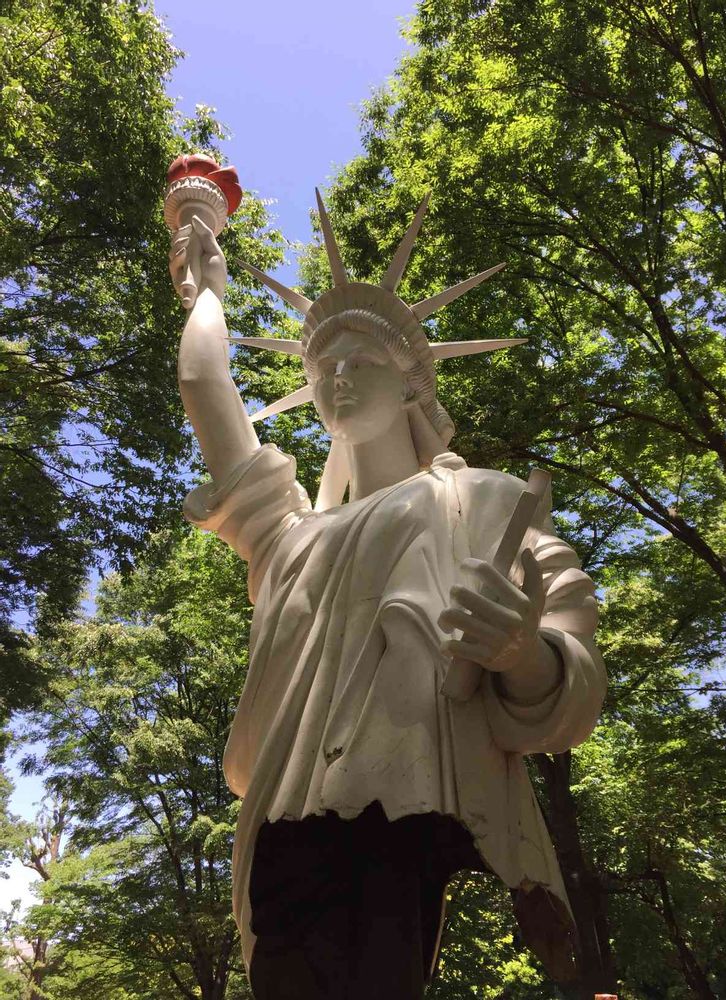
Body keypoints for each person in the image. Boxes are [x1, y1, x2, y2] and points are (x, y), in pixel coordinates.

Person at [169, 195, 606, 1000]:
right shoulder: (287, 537)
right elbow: (203, 382)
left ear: (411, 384)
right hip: (286, 825)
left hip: (413, 817)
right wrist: (205, 293)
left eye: (360, 360)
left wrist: (522, 654)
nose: (335, 376)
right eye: (319, 368)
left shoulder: (486, 501)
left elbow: (574, 678)